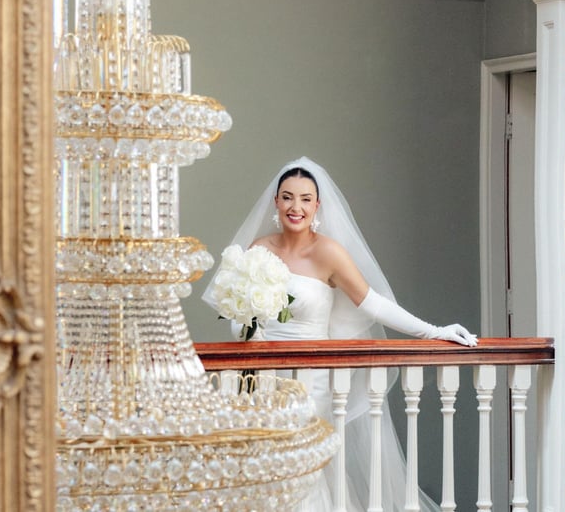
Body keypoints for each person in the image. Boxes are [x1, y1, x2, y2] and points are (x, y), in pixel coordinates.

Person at [202, 157, 477, 512]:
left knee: (300, 471)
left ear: (317, 205)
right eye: (288, 197)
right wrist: (246, 329)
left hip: (311, 385)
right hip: (262, 382)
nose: (296, 207)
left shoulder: (328, 252)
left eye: (305, 199)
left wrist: (434, 332)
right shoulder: (259, 251)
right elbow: (241, 317)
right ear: (276, 202)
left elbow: (372, 303)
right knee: (263, 472)